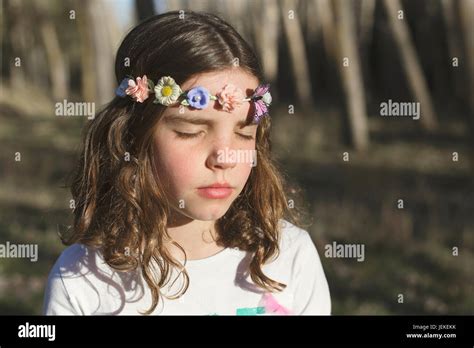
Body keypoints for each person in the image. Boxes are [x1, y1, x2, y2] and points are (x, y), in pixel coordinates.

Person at [43, 11, 330, 315]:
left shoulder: (288, 256)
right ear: (131, 137)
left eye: (244, 133)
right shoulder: (84, 280)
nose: (224, 157)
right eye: (190, 132)